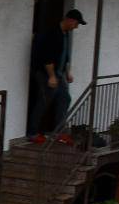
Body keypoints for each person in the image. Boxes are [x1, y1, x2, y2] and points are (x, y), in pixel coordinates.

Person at [29, 9, 85, 137]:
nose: (76, 27)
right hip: (45, 73)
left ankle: (58, 131)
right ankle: (32, 132)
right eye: (76, 24)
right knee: (44, 101)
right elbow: (47, 57)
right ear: (69, 20)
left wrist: (67, 72)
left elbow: (64, 55)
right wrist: (52, 76)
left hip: (58, 73)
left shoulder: (65, 34)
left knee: (64, 98)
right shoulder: (53, 33)